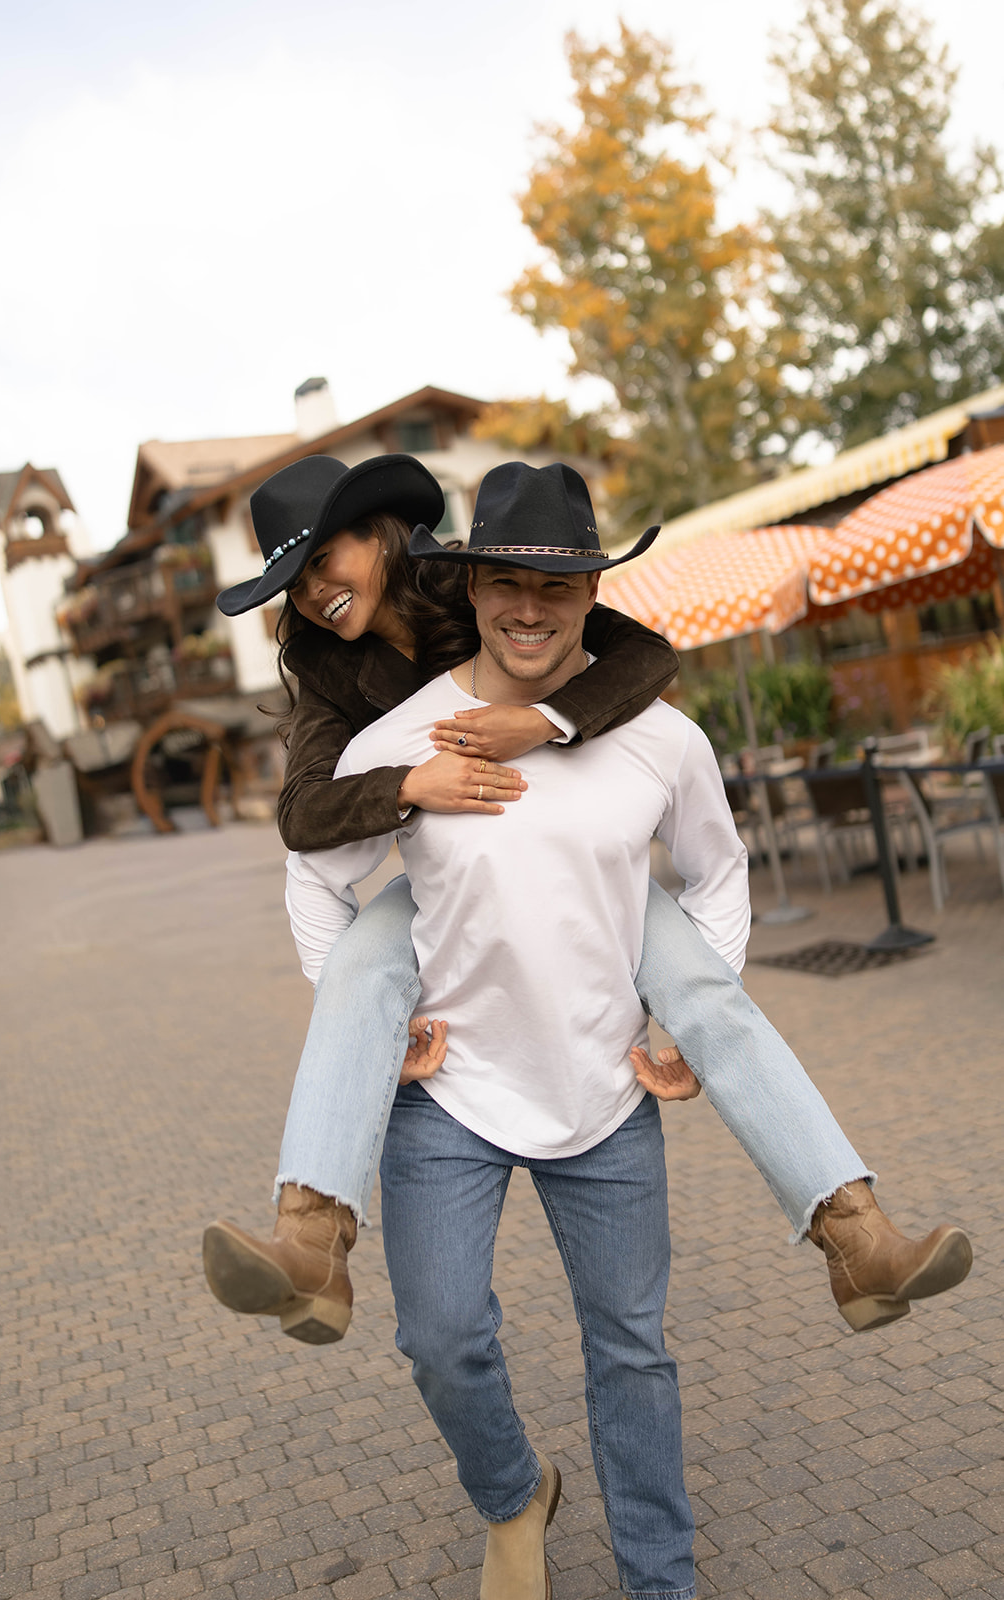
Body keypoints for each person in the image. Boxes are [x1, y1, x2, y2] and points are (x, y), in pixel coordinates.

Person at [203, 454, 972, 1348]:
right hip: (444, 880)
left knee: (709, 994)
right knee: (355, 982)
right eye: (292, 586)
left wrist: (542, 721)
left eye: (324, 562)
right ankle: (309, 1244)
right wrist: (414, 779)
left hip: (587, 870)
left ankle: (856, 1235)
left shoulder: (485, 585)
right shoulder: (328, 669)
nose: (312, 595)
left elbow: (643, 656)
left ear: (380, 537)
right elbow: (304, 819)